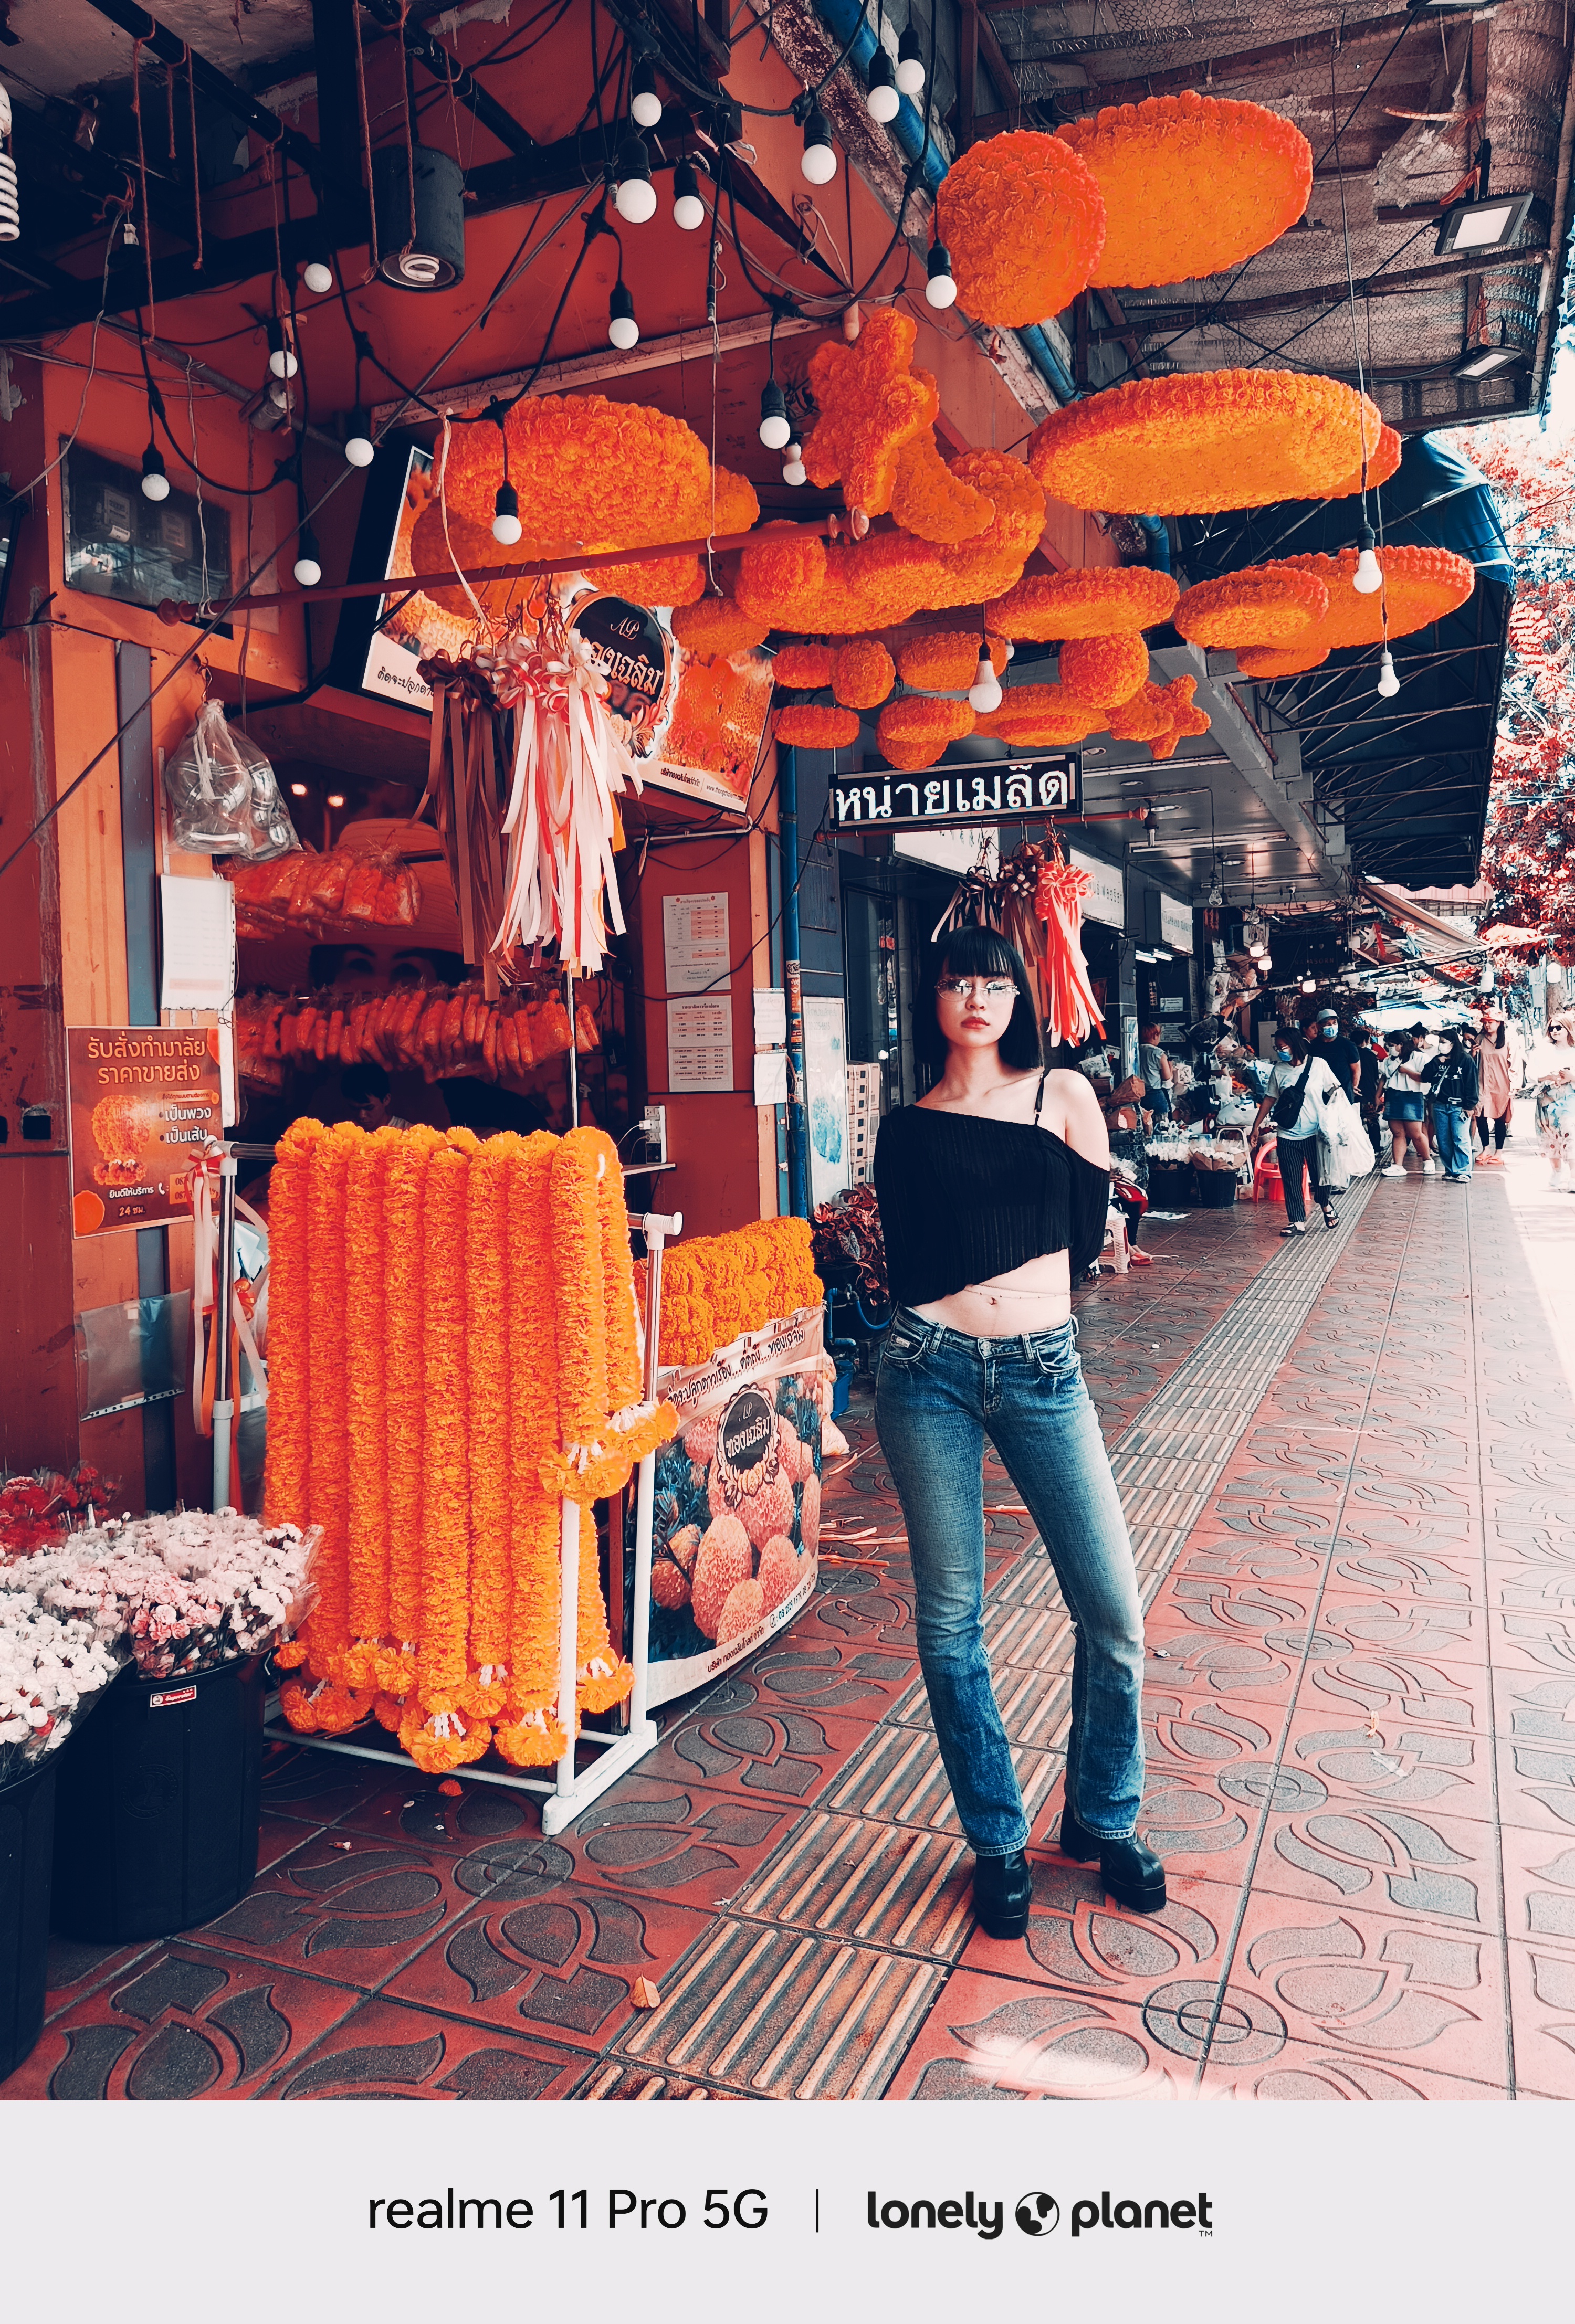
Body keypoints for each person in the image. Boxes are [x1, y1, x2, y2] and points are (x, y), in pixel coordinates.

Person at [872, 926, 1161, 1937]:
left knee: (1114, 1613)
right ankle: (996, 1839)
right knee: (951, 1619)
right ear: (932, 997)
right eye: (958, 981)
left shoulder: (1063, 1094)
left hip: (1044, 1371)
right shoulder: (906, 1126)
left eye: (994, 983)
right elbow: (910, 1257)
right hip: (926, 1373)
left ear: (1018, 997)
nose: (977, 998)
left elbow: (1084, 1238)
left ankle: (1102, 1815)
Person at [1250, 1027, 1344, 1235]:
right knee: (1291, 1178)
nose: (1279, 1052)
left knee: (1321, 1177)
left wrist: (1338, 1119)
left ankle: (1325, 1203)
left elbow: (1335, 1092)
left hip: (1315, 1133)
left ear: (1294, 1045)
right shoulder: (1279, 1070)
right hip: (1287, 1133)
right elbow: (1270, 1099)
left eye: (1282, 1047)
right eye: (1277, 1048)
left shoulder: (1319, 1065)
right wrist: (1256, 1126)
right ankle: (1297, 1221)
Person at [1424, 1026, 1480, 1182]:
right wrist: (1436, 1062)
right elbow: (1425, 1076)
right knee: (1443, 1140)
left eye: (1443, 1042)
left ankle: (1463, 1171)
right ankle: (1450, 1170)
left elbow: (1472, 1083)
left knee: (1460, 1138)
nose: (1440, 1045)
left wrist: (1469, 1106)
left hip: (1459, 1107)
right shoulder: (1438, 1060)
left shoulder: (1465, 1059)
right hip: (1440, 1105)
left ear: (1453, 1043)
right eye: (1440, 1042)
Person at [1529, 1015, 1575, 1190]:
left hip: (1570, 1099)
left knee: (1571, 1135)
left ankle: (1573, 1177)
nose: (1555, 1031)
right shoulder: (1542, 1051)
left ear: (1568, 1028)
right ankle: (1557, 1171)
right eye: (1552, 1028)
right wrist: (1547, 1077)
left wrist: (1571, 1077)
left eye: (1559, 1028)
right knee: (1550, 1138)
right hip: (1547, 1099)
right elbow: (1531, 1074)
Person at [1380, 1035, 1436, 1176]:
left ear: (1401, 1044)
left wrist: (1407, 1072)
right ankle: (1398, 1165)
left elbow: (1425, 1077)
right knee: (1398, 1133)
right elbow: (1384, 1078)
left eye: (1391, 1045)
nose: (1389, 1048)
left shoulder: (1419, 1057)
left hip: (1412, 1095)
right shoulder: (1388, 1060)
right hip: (1393, 1095)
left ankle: (1428, 1160)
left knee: (1415, 1133)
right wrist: (1377, 1096)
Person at [1473, 1012, 1513, 1163]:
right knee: (1480, 1117)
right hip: (1482, 1085)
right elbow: (1473, 1062)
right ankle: (1486, 1150)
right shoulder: (1480, 1039)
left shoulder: (1508, 1041)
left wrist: (1514, 1086)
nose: (1487, 1025)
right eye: (1485, 1022)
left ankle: (1499, 1153)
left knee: (1500, 1119)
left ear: (1499, 1023)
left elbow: (1514, 1064)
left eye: (1490, 1022)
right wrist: (1473, 1053)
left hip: (1502, 1086)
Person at [341, 1062, 410, 1133]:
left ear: (386, 1100)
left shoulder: (408, 1133)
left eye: (369, 1108)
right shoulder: (344, 1133)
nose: (362, 1116)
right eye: (354, 1108)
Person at [1309, 1007, 1361, 1100]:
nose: (1332, 1026)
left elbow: (1356, 1069)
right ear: (1318, 1026)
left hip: (1343, 1094)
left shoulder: (1347, 1045)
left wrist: (1354, 1086)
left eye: (1334, 1023)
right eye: (1327, 1024)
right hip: (1320, 1094)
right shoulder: (1313, 1046)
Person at [1139, 1021, 1173, 1125]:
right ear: (1155, 1036)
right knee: (1161, 1127)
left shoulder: (1134, 1051)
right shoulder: (1159, 1054)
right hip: (1156, 1096)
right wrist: (1171, 1067)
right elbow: (1167, 1080)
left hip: (1138, 1095)